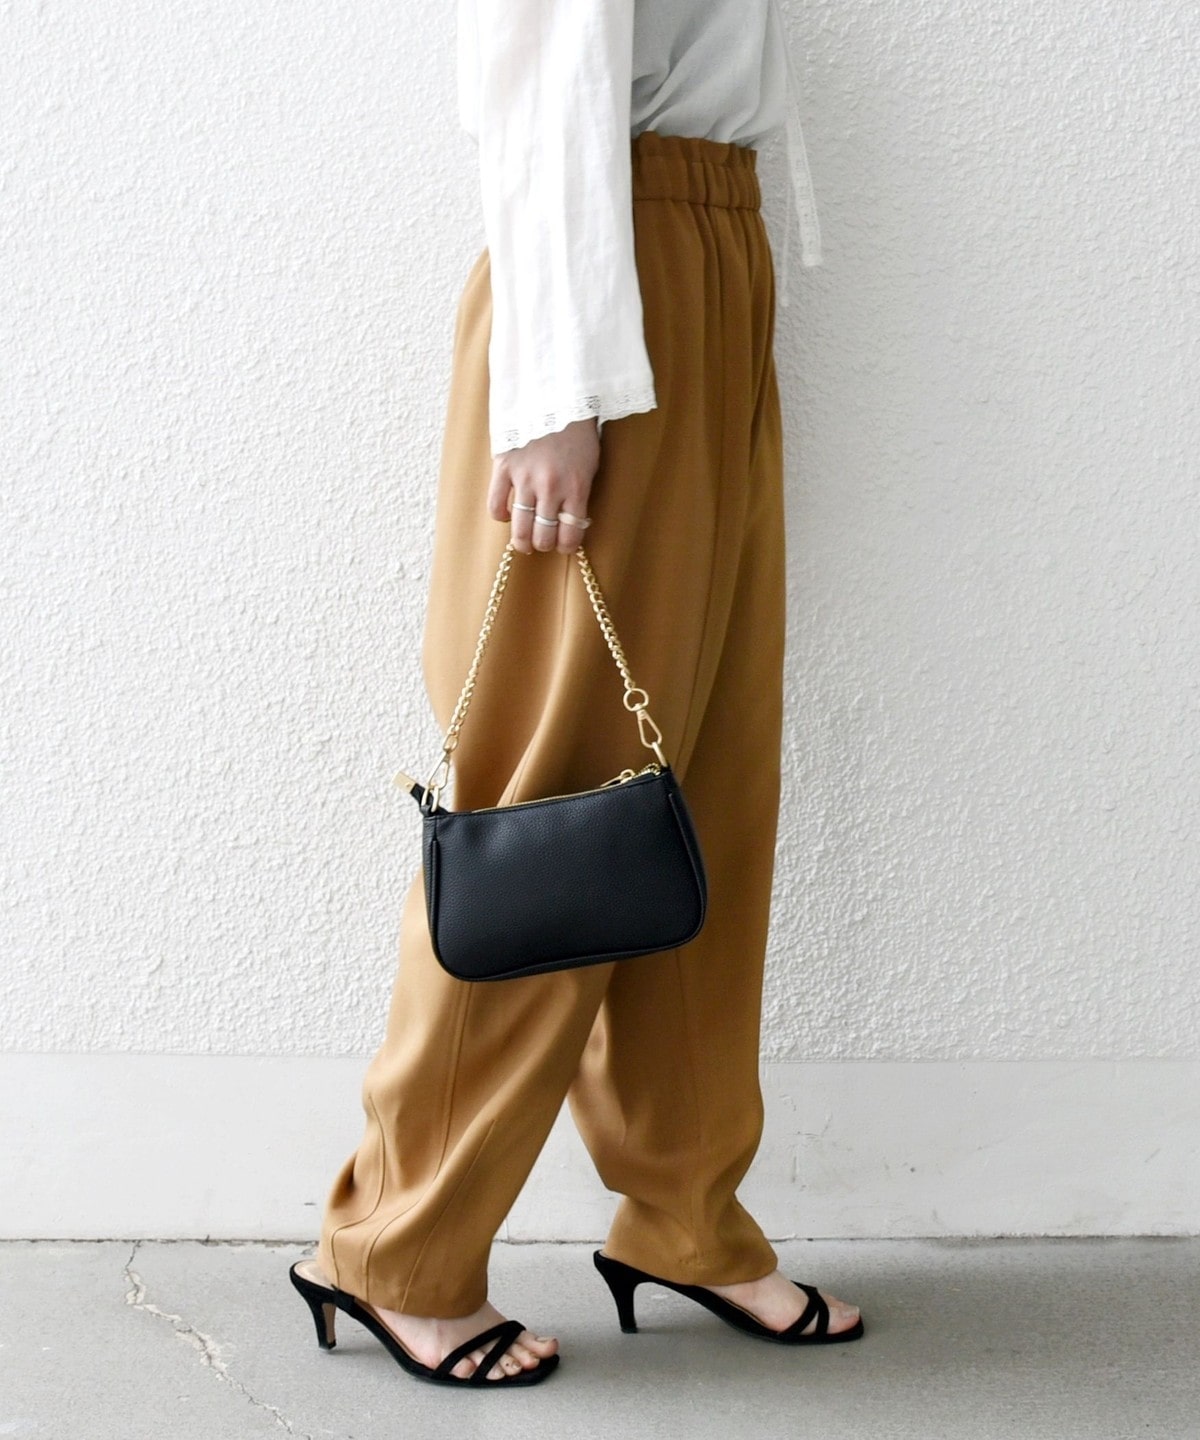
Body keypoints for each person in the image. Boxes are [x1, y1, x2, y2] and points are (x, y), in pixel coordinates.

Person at [288, 0, 864, 1388]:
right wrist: (555, 392)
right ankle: (395, 1248)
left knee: (695, 795)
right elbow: (548, 80)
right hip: (616, 292)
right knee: (550, 806)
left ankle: (686, 1217)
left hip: (709, 254)